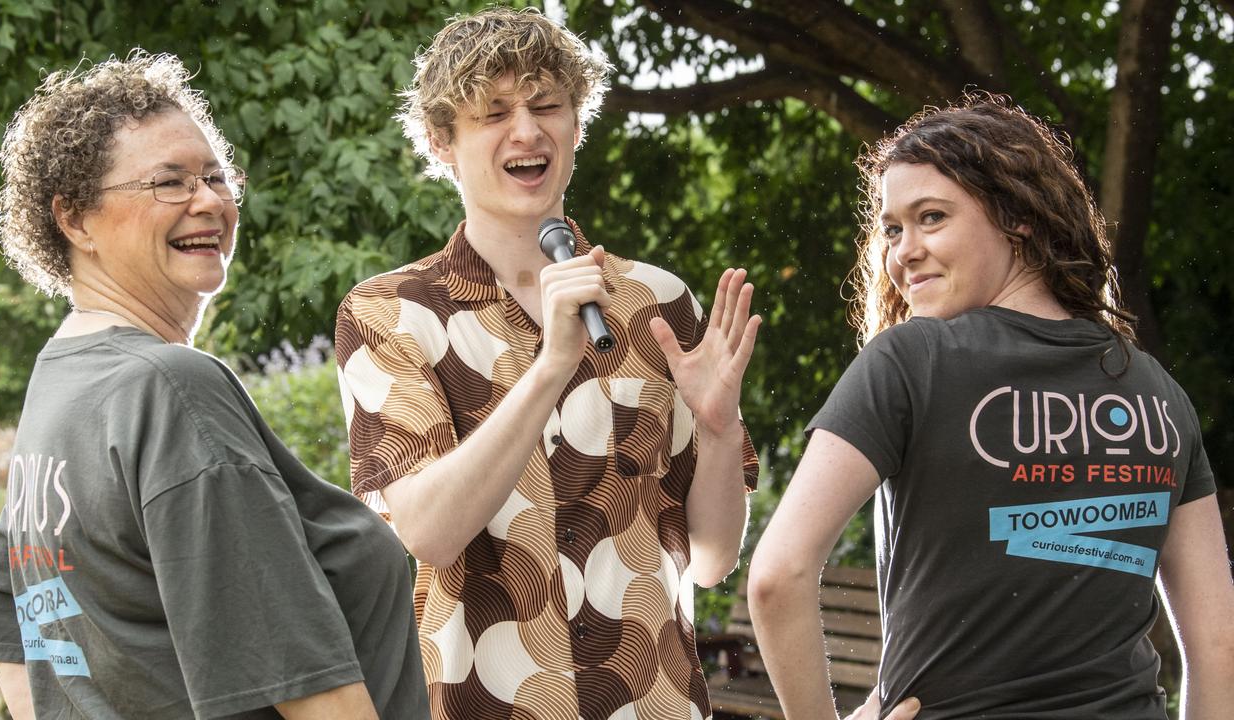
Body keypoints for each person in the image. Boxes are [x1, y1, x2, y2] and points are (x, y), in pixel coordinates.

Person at [0, 52, 430, 719]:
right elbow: (310, 687)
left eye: (215, 177)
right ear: (75, 220)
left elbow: (1, 596)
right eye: (169, 183)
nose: (208, 201)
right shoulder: (169, 389)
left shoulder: (62, 380)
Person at [748, 93, 1234, 719]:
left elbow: (776, 577)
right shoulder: (1158, 394)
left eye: (931, 218)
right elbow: (1218, 644)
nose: (902, 251)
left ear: (1018, 217)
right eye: (893, 229)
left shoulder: (911, 361)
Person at [334, 7, 761, 719]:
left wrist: (718, 434)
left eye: (547, 106)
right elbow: (429, 532)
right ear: (442, 140)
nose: (526, 130)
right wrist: (551, 366)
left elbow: (713, 560)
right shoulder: (388, 314)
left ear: (575, 124)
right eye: (493, 112)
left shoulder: (656, 304)